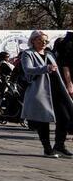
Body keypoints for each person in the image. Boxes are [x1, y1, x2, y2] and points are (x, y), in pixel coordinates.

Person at [21, 30, 73, 158]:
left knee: (65, 116)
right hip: (41, 91)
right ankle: (47, 148)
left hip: (57, 89)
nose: (43, 43)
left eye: (45, 41)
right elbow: (28, 70)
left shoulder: (49, 54)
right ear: (33, 40)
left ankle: (59, 145)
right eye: (40, 40)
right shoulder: (27, 54)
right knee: (42, 120)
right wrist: (46, 68)